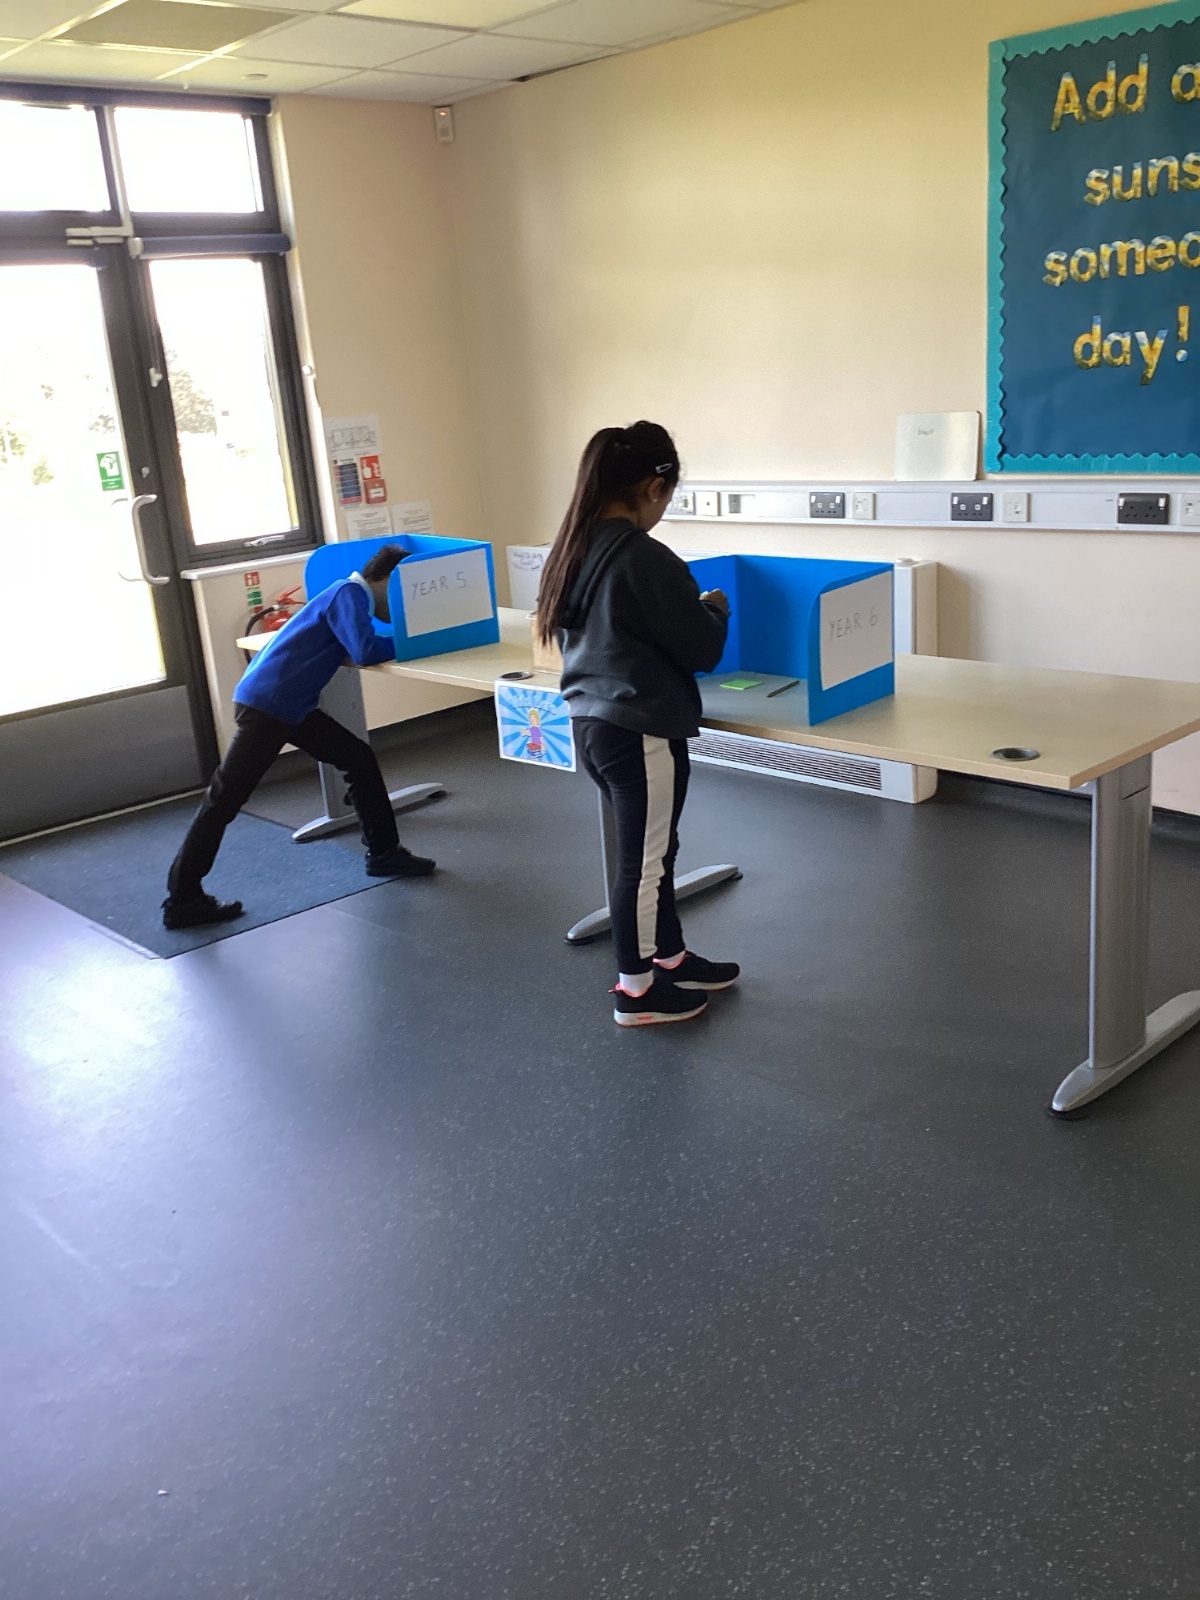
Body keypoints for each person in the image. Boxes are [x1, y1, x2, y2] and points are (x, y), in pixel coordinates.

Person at [537, 421, 740, 1026]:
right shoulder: (644, 557)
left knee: (655, 850)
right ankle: (636, 990)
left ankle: (670, 957)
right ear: (653, 487)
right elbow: (701, 649)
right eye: (667, 497)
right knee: (645, 864)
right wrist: (714, 610)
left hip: (591, 723)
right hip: (639, 728)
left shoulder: (573, 548)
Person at [163, 544, 435, 930]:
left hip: (286, 704)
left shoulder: (344, 594)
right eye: (402, 594)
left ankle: (384, 853)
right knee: (223, 800)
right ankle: (182, 899)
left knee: (357, 758)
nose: (402, 607)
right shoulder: (349, 594)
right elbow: (364, 650)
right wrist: (417, 641)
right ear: (384, 580)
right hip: (271, 705)